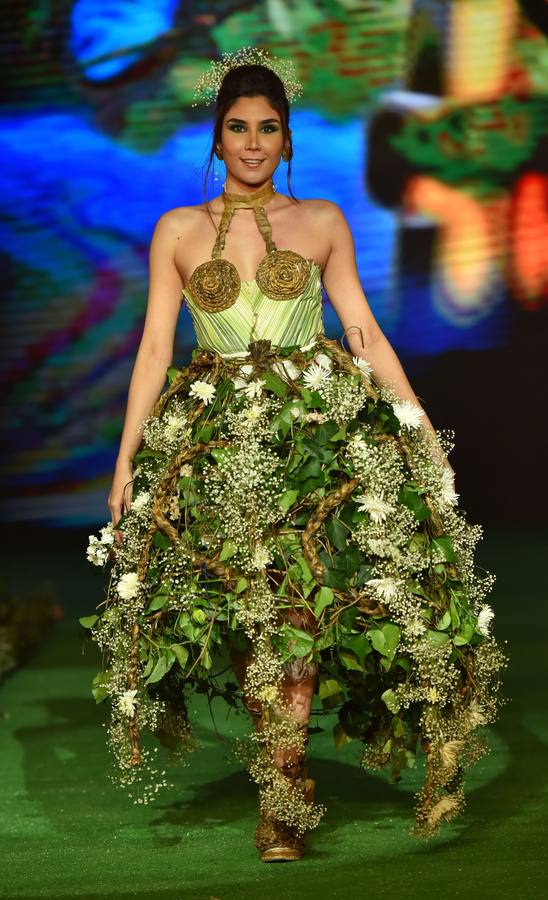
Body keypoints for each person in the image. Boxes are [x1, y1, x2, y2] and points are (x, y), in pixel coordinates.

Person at [84, 48, 508, 863]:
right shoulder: (176, 230)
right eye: (237, 128)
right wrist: (125, 459)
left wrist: (416, 425)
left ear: (287, 139)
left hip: (314, 435)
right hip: (212, 440)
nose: (251, 143)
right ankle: (281, 777)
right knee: (248, 619)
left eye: (267, 128)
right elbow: (151, 352)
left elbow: (363, 331)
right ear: (216, 139)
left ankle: (283, 793)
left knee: (303, 615)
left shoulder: (322, 222)